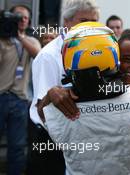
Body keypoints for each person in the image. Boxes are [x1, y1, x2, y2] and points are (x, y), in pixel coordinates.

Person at [39, 22, 130, 175]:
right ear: (115, 57)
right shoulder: (76, 91)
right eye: (127, 59)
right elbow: (43, 114)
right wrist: (51, 94)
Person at [28, 0, 99, 174]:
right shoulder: (48, 56)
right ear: (66, 22)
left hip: (81, 137)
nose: (89, 27)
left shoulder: (95, 51)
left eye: (94, 22)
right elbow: (43, 109)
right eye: (83, 21)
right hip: (51, 139)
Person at [0, 4, 41, 175]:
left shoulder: (31, 41)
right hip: (1, 97)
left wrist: (19, 37)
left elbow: (37, 54)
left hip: (20, 100)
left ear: (29, 21)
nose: (22, 20)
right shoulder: (2, 40)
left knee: (17, 146)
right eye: (18, 17)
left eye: (25, 17)